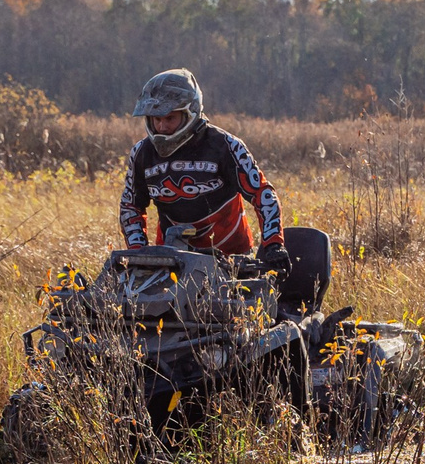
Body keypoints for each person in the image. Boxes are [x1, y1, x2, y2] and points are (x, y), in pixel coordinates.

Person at [119, 67, 329, 310]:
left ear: (190, 113)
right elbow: (131, 206)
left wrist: (273, 244)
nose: (162, 127)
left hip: (232, 263)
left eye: (170, 118)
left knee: (234, 329)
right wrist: (140, 254)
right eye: (156, 119)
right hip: (171, 264)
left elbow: (262, 193)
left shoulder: (225, 145)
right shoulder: (142, 153)